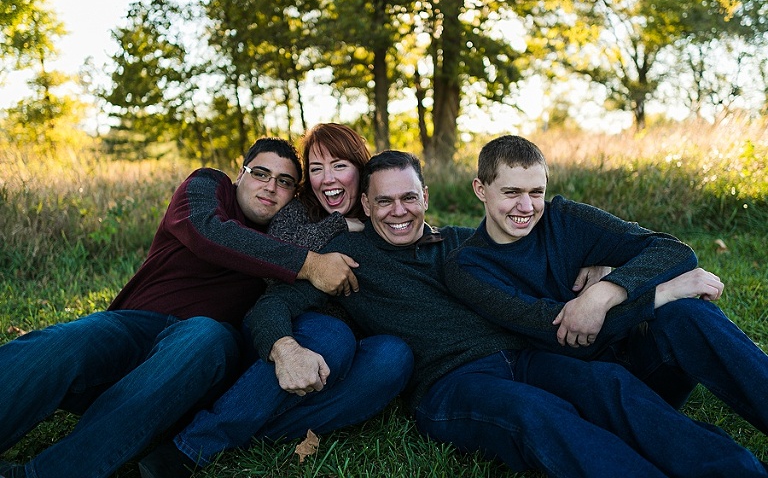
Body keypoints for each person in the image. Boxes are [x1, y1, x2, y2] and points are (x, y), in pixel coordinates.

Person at [244, 150, 767, 477]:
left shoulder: (463, 244)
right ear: (366, 206)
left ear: (426, 196)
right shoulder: (349, 262)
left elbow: (532, 254)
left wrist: (604, 271)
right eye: (384, 202)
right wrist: (283, 347)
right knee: (538, 415)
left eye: (409, 198)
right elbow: (271, 305)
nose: (398, 211)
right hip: (452, 384)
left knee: (611, 387)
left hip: (526, 357)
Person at [0, 138, 361, 478]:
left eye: (285, 182)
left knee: (204, 334)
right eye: (261, 174)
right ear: (241, 173)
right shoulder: (209, 187)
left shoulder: (287, 235)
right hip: (133, 329)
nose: (270, 187)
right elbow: (207, 231)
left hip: (191, 366)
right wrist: (309, 263)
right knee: (69, 340)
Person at [137, 124, 413, 478]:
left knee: (394, 356)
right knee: (332, 335)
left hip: (350, 344)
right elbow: (275, 267)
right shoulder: (298, 212)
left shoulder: (388, 213)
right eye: (316, 169)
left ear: (361, 168)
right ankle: (193, 447)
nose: (327, 178)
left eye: (340, 165)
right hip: (282, 325)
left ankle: (247, 429)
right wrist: (338, 226)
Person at [443, 133, 768, 433]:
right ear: (480, 189)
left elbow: (673, 251)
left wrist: (605, 290)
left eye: (536, 192)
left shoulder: (564, 218)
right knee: (669, 306)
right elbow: (557, 330)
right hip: (588, 392)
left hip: (643, 366)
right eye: (511, 192)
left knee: (689, 314)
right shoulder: (468, 266)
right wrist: (659, 293)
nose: (526, 207)